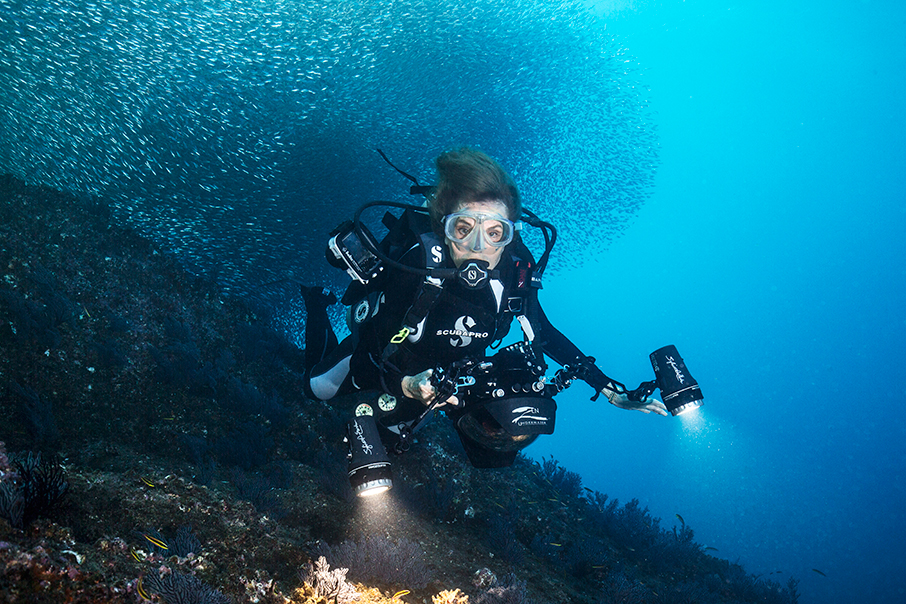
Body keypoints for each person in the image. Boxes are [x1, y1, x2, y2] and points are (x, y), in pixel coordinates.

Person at [301, 147, 666, 466]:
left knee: (464, 439)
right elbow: (376, 345)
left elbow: (543, 333)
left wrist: (607, 388)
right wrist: (407, 384)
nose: (478, 246)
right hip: (382, 359)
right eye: (463, 228)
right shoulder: (419, 263)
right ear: (444, 228)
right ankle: (316, 306)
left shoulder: (514, 272)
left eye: (494, 233)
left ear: (509, 234)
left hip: (443, 375)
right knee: (317, 389)